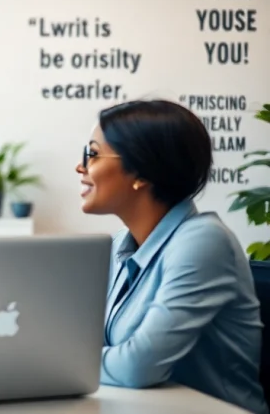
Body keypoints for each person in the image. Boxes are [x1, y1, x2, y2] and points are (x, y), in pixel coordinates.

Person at [78, 99, 267, 414]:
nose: (81, 166)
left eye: (93, 154)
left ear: (141, 171)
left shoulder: (204, 241)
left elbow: (137, 365)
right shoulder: (121, 244)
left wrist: (56, 362)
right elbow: (93, 343)